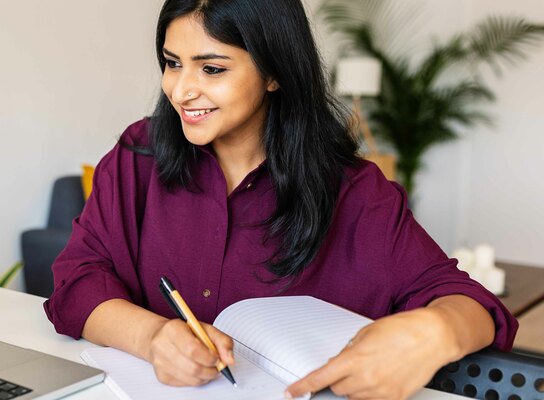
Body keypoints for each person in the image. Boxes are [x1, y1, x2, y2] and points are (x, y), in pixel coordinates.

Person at [44, 0, 518, 398]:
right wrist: (152, 338)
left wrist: (435, 332)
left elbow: (471, 304)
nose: (181, 90)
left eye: (211, 68)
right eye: (172, 63)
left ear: (274, 73)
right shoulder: (139, 155)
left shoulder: (355, 191)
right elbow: (76, 281)